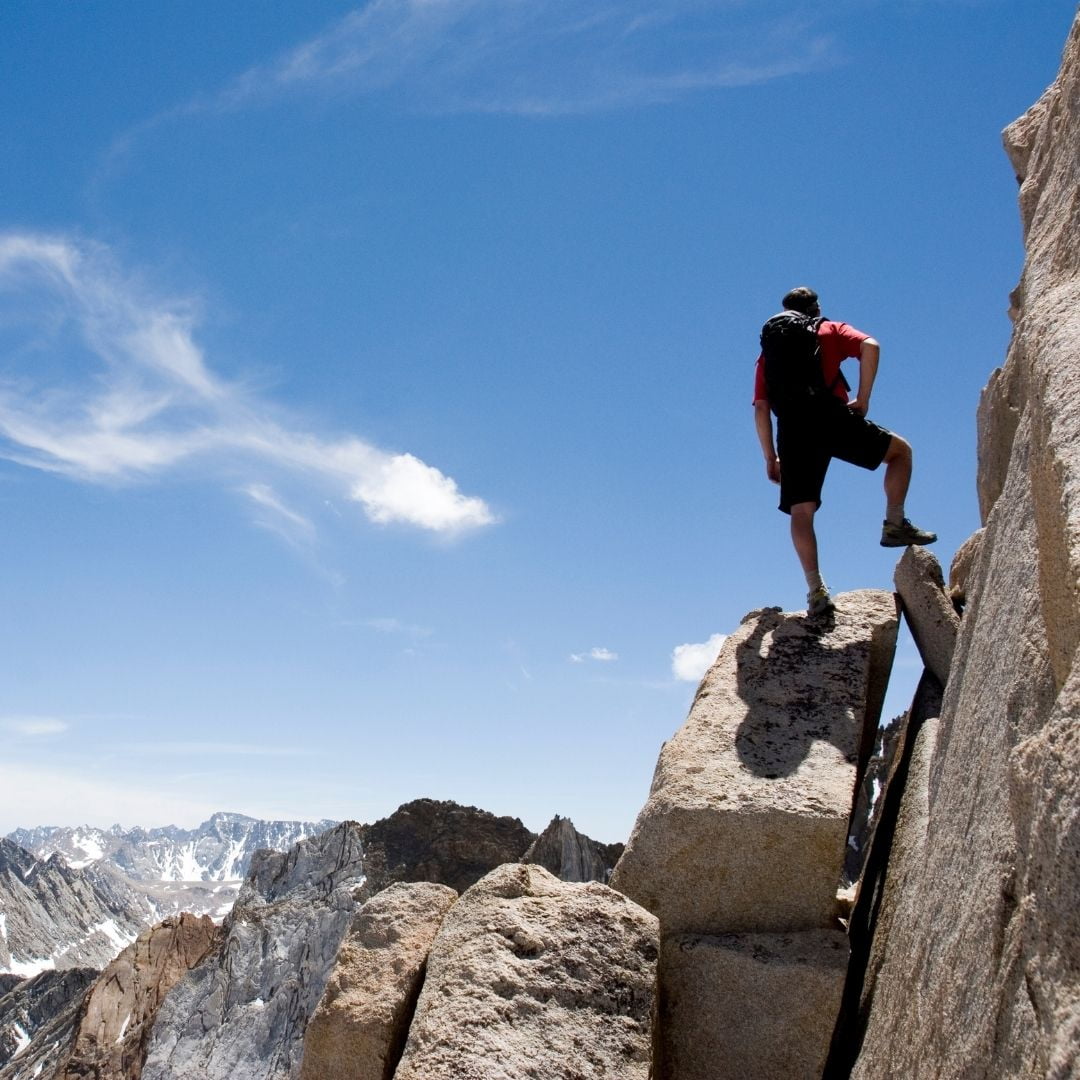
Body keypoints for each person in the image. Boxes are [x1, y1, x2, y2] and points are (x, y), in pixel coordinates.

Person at [753, 286, 936, 616]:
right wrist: (864, 397)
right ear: (815, 307)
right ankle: (895, 523)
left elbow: (761, 407)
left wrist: (770, 456)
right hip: (831, 416)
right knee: (900, 453)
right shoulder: (829, 328)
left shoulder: (770, 352)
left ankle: (816, 590)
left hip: (793, 430)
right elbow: (870, 345)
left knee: (801, 512)